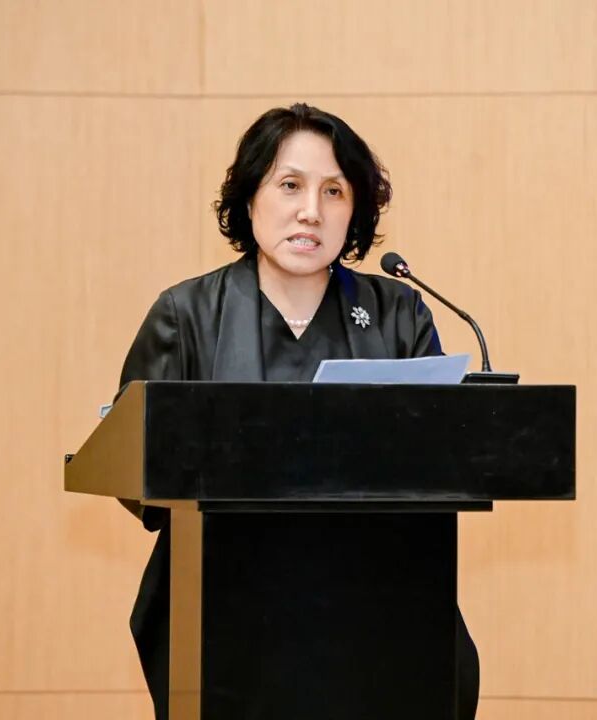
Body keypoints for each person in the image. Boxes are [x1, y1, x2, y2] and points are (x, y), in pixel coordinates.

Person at [117, 103, 480, 719]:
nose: (311, 209)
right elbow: (134, 464)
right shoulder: (186, 315)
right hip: (223, 610)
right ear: (250, 198)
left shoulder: (399, 314)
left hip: (381, 612)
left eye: (333, 191)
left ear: (354, 211)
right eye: (290, 185)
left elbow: (444, 456)